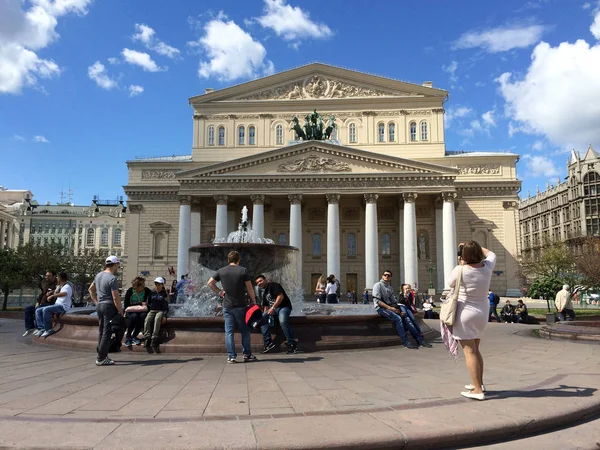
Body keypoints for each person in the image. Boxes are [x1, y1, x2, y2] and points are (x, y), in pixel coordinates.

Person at [449, 241, 496, 401]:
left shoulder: (460, 270)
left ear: (463, 255)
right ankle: (479, 384)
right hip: (482, 312)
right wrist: (473, 246)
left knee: (470, 352)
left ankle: (477, 390)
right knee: (475, 349)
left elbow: (450, 284)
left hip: (465, 313)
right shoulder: (488, 267)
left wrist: (462, 258)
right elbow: (491, 253)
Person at [207, 250, 258, 363]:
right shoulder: (243, 271)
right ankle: (246, 355)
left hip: (227, 305)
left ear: (228, 260)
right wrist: (254, 301)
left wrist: (220, 292)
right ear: (238, 260)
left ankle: (231, 356)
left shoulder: (221, 271)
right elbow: (250, 288)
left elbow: (210, 283)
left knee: (229, 332)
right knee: (245, 331)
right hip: (241, 305)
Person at [372, 270, 431, 349]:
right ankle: (406, 342)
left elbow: (393, 301)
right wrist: (391, 308)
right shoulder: (377, 285)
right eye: (385, 275)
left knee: (406, 319)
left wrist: (399, 310)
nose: (386, 276)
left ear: (390, 278)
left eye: (388, 275)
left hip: (391, 307)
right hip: (381, 308)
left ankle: (420, 340)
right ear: (382, 276)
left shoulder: (390, 288)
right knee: (398, 318)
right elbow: (377, 301)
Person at [89, 255, 124, 366]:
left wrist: (96, 302)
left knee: (101, 331)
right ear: (115, 264)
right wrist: (120, 312)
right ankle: (101, 358)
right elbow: (115, 297)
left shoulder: (98, 275)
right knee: (107, 332)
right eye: (117, 264)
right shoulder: (112, 278)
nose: (118, 267)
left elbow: (91, 289)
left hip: (100, 306)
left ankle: (101, 355)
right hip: (109, 307)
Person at [256, 274, 298, 354]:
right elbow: (266, 307)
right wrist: (264, 317)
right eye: (257, 283)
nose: (259, 283)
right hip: (274, 310)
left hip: (283, 307)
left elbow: (280, 297)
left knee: (282, 321)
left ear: (265, 280)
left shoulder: (273, 285)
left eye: (260, 281)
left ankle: (292, 343)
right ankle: (268, 343)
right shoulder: (265, 293)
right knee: (262, 319)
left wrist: (273, 308)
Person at [34, 271, 73, 338]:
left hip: (62, 306)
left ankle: (49, 329)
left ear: (60, 278)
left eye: (57, 277)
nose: (56, 278)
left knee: (46, 310)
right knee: (38, 310)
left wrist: (52, 296)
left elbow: (64, 293)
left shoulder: (67, 286)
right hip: (56, 305)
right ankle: (41, 328)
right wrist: (56, 290)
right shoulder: (61, 286)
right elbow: (57, 291)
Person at [24, 271, 57, 336]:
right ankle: (30, 328)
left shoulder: (57, 285)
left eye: (49, 276)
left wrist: (53, 292)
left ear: (54, 276)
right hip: (41, 303)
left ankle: (39, 328)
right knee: (28, 309)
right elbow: (42, 294)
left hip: (49, 304)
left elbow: (60, 291)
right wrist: (38, 302)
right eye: (46, 276)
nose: (46, 277)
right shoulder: (46, 284)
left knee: (38, 310)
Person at [143, 277, 170, 350]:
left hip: (160, 310)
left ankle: (154, 338)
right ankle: (147, 337)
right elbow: (148, 302)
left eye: (158, 284)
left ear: (162, 285)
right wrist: (148, 309)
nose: (157, 286)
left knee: (157, 319)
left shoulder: (164, 294)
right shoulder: (152, 292)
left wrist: (164, 315)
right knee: (147, 320)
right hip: (152, 310)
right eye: (156, 284)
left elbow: (166, 305)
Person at [123, 277, 151, 347]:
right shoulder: (130, 291)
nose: (144, 287)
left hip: (142, 310)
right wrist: (140, 303)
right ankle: (128, 337)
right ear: (137, 286)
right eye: (142, 286)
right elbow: (126, 305)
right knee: (134, 317)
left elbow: (151, 300)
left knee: (143, 316)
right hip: (131, 310)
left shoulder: (146, 290)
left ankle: (134, 336)